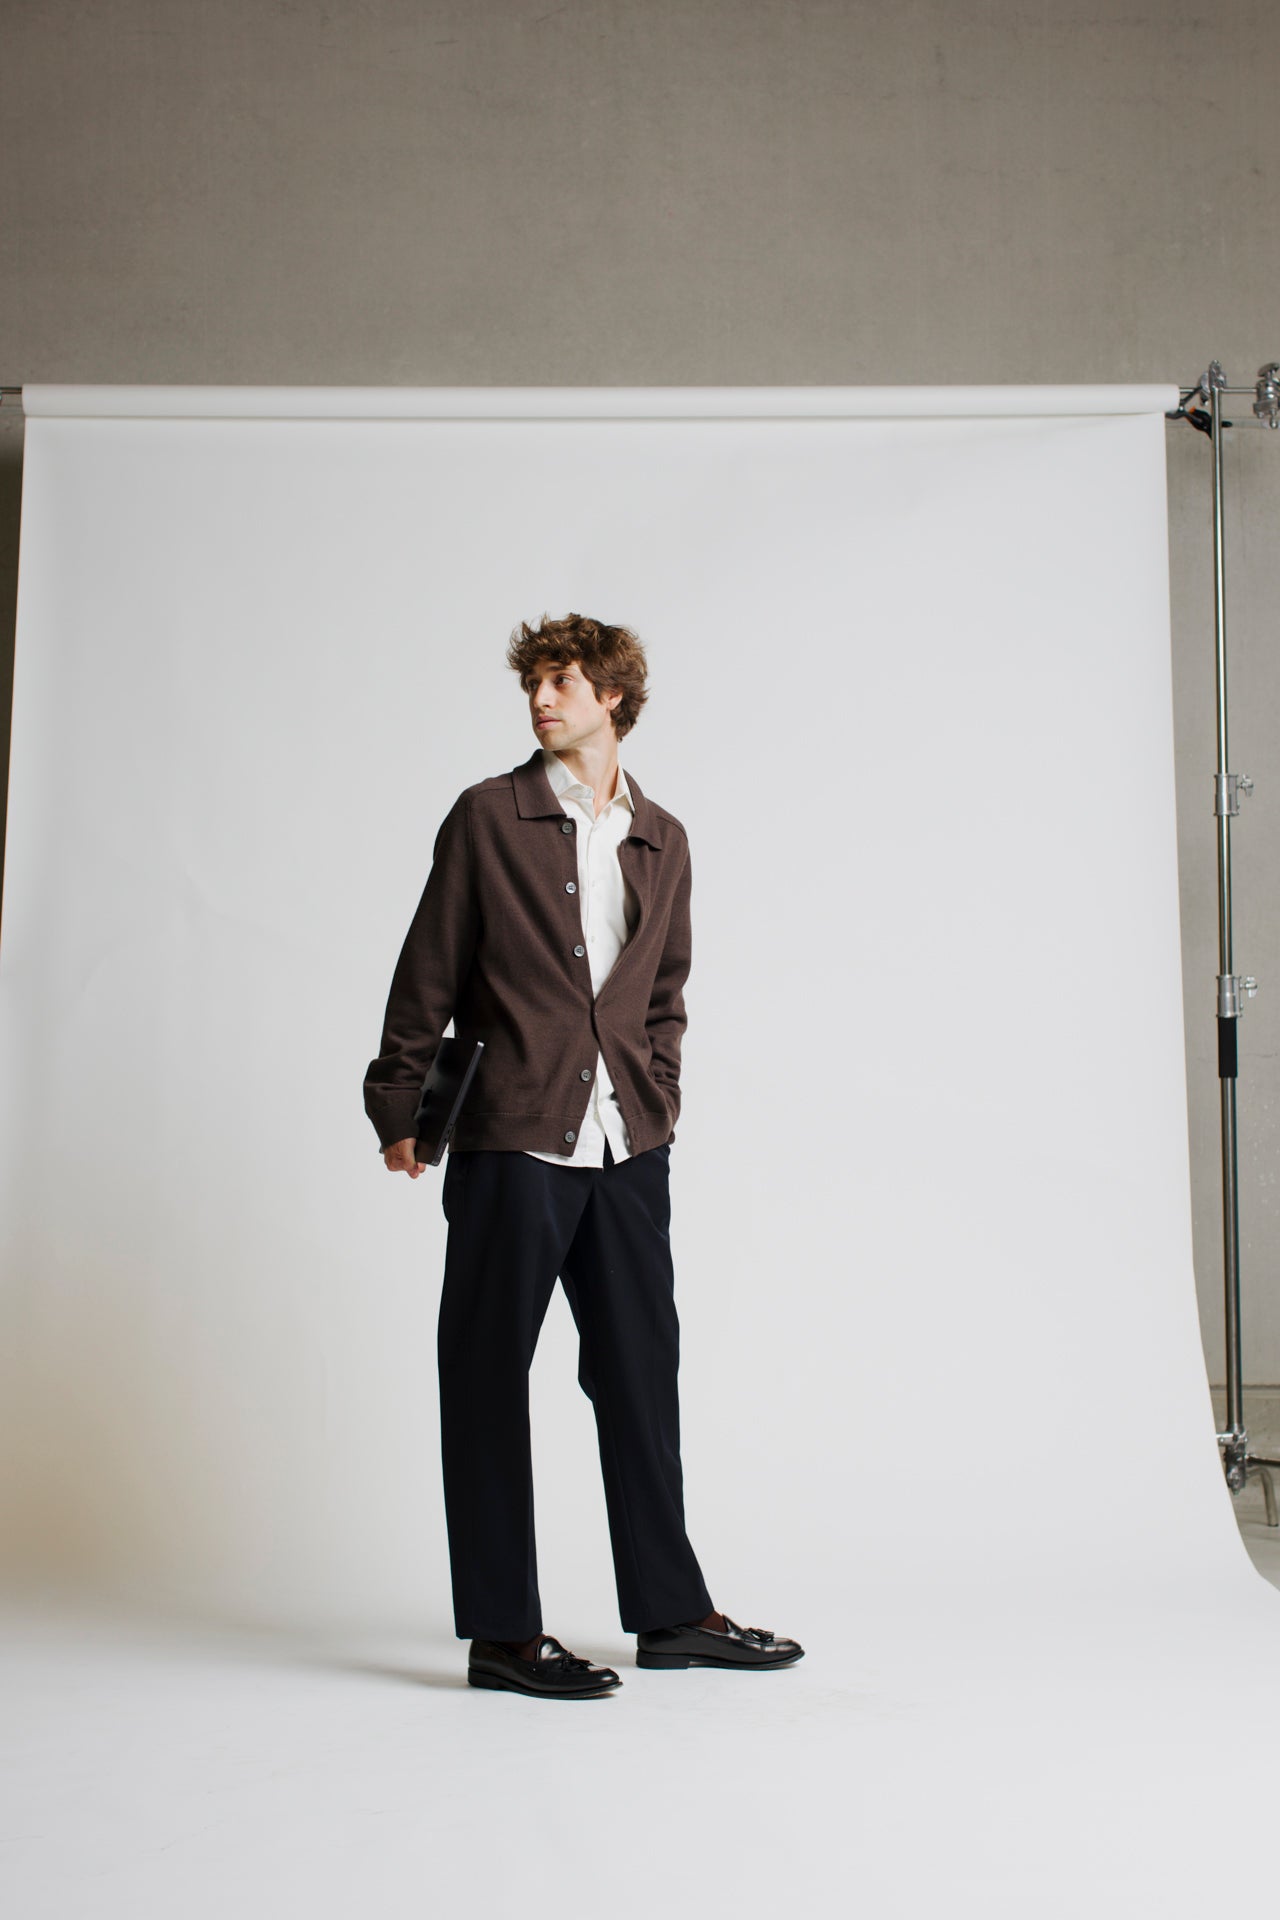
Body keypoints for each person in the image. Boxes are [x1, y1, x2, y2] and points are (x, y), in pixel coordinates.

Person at [363, 613, 803, 1700]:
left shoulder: (662, 837)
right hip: (514, 1135)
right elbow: (427, 968)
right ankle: (503, 1636)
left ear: (612, 696)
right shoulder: (488, 816)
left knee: (640, 1372)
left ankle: (672, 1614)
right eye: (534, 683)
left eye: (561, 681)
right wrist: (400, 1101)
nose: (540, 699)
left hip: (626, 1145)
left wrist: (659, 1094)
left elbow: (665, 993)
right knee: (484, 1374)